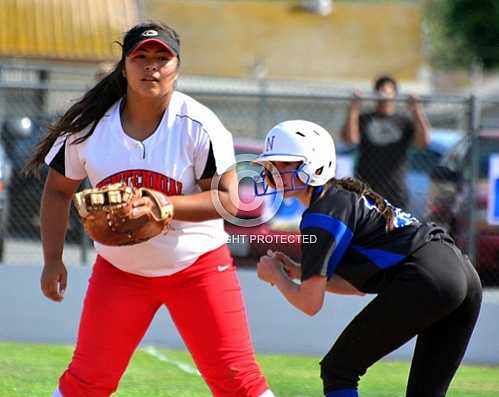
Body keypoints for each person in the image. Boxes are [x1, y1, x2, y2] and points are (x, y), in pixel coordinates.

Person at [25, 22, 275, 397]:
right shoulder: (89, 128)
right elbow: (58, 191)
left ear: (178, 67)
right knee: (86, 383)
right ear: (124, 65)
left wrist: (165, 204)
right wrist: (52, 259)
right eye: (140, 57)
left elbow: (229, 200)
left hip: (198, 268)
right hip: (121, 271)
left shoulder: (197, 125)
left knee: (238, 383)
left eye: (163, 57)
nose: (151, 66)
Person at [253, 120, 482, 397]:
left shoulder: (321, 214)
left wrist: (276, 277)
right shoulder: (338, 198)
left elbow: (309, 303)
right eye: (269, 166)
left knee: (339, 370)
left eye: (282, 164)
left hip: (430, 274)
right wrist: (300, 272)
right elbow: (357, 286)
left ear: (313, 164)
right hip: (460, 273)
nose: (271, 174)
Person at [341, 75, 431, 210]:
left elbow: (424, 142)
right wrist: (353, 109)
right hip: (366, 187)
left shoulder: (404, 121)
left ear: (394, 95)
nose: (384, 97)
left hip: (395, 189)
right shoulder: (365, 118)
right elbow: (350, 140)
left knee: (395, 229)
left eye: (388, 92)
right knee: (364, 228)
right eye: (381, 92)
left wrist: (416, 110)